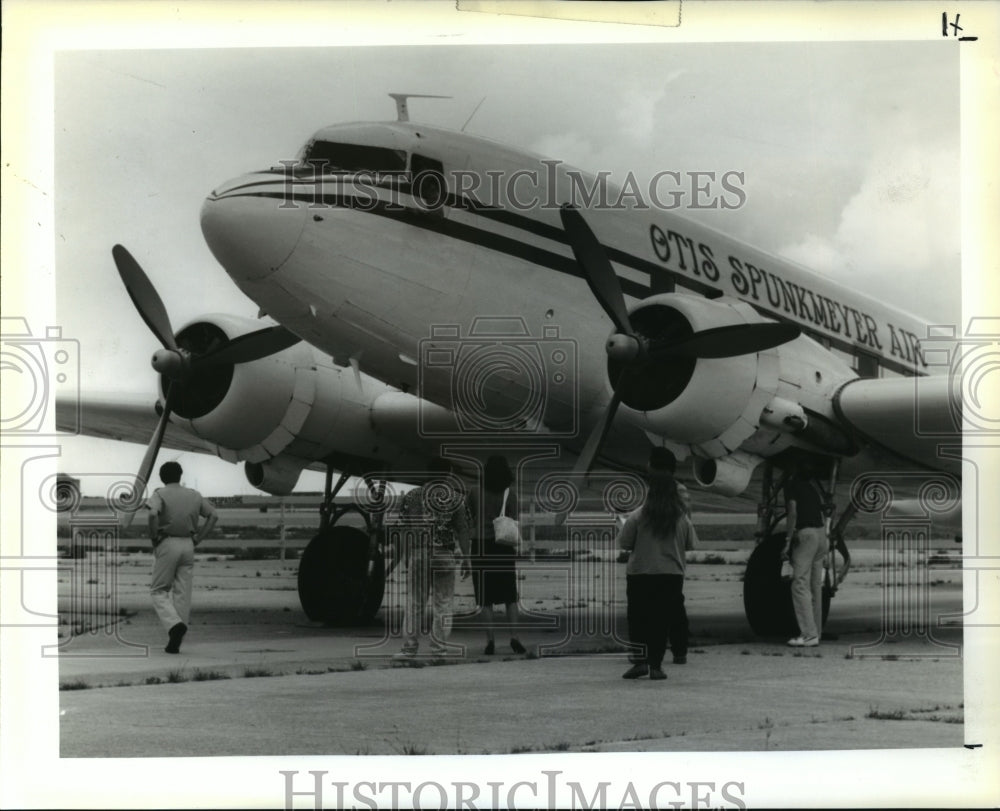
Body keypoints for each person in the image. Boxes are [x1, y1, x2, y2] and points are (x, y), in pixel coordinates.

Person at [616, 453, 697, 681]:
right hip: (671, 574)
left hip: (640, 572)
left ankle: (640, 661)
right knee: (661, 621)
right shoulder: (681, 518)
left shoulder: (638, 515)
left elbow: (624, 542)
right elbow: (690, 543)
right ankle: (656, 665)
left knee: (639, 618)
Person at [395, 457, 471, 658]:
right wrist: (467, 558)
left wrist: (405, 554)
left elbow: (404, 529)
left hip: (419, 552)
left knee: (415, 602)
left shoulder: (412, 496)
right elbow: (463, 530)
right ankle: (439, 649)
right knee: (443, 603)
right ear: (449, 474)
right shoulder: (456, 498)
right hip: (445, 554)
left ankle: (409, 647)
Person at [145, 461, 218, 654]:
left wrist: (154, 537)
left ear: (162, 477)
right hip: (188, 544)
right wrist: (199, 538)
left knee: (158, 590)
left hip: (167, 542)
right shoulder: (194, 495)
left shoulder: (159, 494)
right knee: (182, 593)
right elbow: (213, 516)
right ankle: (176, 640)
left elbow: (153, 514)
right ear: (180, 475)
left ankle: (174, 625)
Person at [467, 455, 526, 655]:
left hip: (480, 546)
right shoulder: (511, 494)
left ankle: (490, 641)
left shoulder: (475, 492)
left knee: (485, 598)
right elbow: (515, 519)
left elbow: (469, 516)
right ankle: (515, 637)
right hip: (502, 547)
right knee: (510, 596)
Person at [780, 463, 829, 647]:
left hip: (807, 535)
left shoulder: (791, 487)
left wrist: (787, 540)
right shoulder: (812, 489)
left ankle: (808, 634)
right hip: (821, 534)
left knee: (800, 583)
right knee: (816, 585)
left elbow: (792, 512)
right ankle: (817, 632)